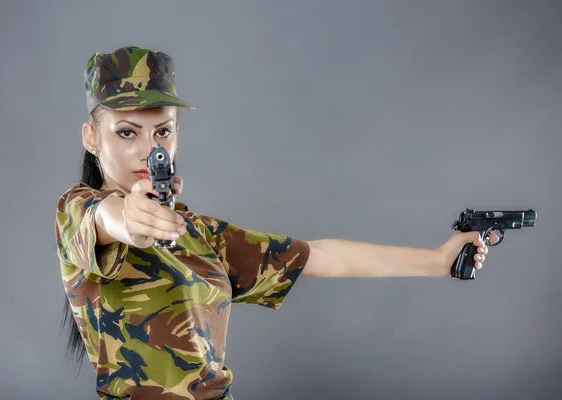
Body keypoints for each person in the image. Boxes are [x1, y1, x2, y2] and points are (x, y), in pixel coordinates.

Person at [55, 46, 495, 400]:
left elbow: (319, 256)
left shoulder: (200, 235)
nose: (148, 150)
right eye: (126, 132)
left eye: (163, 131)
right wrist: (130, 219)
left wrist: (439, 260)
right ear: (92, 137)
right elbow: (104, 219)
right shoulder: (77, 209)